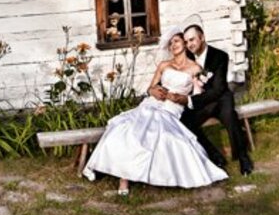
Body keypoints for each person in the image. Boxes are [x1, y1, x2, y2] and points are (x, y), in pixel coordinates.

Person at [81, 29, 228, 195]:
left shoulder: (195, 68)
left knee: (157, 134)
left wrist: (187, 92)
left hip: (172, 108)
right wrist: (153, 91)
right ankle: (124, 177)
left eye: (176, 41)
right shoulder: (164, 65)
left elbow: (197, 97)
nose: (173, 45)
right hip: (153, 103)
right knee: (128, 128)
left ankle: (140, 174)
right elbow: (150, 87)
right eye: (170, 43)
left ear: (185, 43)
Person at [178, 23, 254, 176]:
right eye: (186, 42)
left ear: (202, 37)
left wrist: (192, 101)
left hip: (220, 98)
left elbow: (218, 89)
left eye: (192, 40)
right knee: (185, 122)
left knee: (230, 117)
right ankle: (215, 156)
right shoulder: (187, 57)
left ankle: (243, 157)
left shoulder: (219, 56)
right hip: (203, 102)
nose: (189, 45)